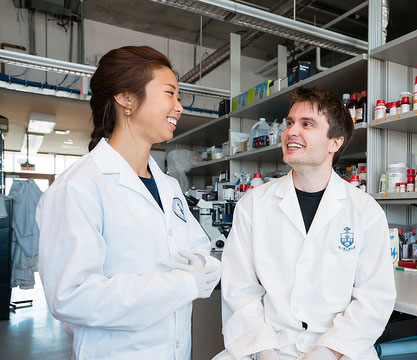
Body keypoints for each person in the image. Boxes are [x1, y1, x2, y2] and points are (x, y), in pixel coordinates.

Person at [36, 46, 220, 360]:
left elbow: (201, 253)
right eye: (170, 94)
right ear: (127, 99)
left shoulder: (168, 186)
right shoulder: (79, 186)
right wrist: (183, 284)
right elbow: (71, 296)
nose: (179, 107)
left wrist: (199, 271)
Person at [215, 87, 396, 360]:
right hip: (267, 343)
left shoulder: (364, 211)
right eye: (290, 123)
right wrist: (264, 352)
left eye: (306, 124)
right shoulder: (253, 205)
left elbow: (374, 298)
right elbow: (239, 290)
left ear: (334, 142)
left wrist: (325, 352)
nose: (291, 132)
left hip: (338, 349)